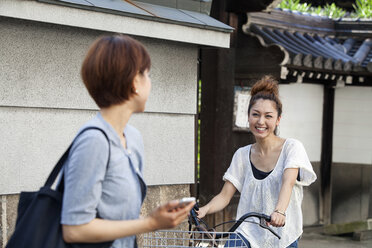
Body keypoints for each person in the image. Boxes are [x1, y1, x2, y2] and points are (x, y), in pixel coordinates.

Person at [60, 34, 195, 248]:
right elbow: (74, 229)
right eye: (148, 75)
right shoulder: (94, 141)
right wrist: (149, 223)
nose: (150, 83)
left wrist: (155, 217)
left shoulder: (132, 138)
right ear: (134, 82)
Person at [197, 76, 317, 248]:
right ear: (248, 117)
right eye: (255, 115)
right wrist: (204, 210)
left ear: (278, 120)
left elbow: (288, 182)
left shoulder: (292, 147)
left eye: (268, 116)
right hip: (247, 232)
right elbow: (225, 195)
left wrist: (279, 211)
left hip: (282, 234)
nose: (261, 121)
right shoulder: (242, 155)